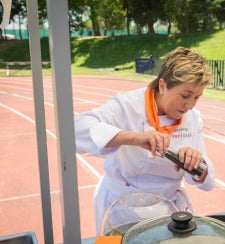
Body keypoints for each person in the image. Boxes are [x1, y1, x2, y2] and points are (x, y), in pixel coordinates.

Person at [75, 47, 215, 234]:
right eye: (185, 95)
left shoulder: (192, 118)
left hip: (168, 209)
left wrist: (196, 162)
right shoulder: (127, 105)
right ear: (163, 85)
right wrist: (134, 138)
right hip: (121, 210)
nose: (190, 105)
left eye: (197, 97)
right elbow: (76, 129)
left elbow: (207, 180)